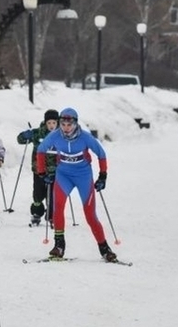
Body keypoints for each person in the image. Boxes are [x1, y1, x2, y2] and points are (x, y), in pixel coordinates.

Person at [35, 108, 118, 263]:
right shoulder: (55, 136)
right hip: (63, 176)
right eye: (63, 123)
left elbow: (101, 154)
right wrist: (42, 172)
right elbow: (40, 150)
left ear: (75, 123)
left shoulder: (85, 137)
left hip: (83, 176)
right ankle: (59, 245)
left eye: (69, 124)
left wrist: (103, 176)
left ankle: (104, 248)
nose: (66, 127)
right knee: (57, 207)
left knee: (90, 215)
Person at [16, 109, 59, 226]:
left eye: (54, 123)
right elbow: (20, 140)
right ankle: (36, 213)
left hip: (55, 170)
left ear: (58, 123)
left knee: (53, 195)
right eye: (49, 123)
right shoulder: (38, 133)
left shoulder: (61, 135)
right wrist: (25, 135)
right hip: (39, 170)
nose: (51, 126)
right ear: (45, 123)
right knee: (38, 194)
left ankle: (52, 216)